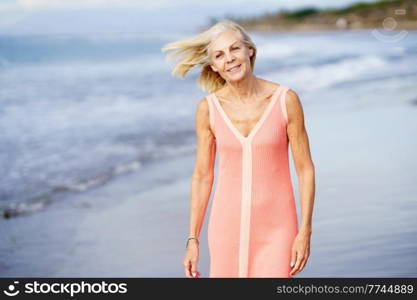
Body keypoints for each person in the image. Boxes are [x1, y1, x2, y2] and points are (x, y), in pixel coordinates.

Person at [161, 19, 315, 278]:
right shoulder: (208, 109)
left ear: (249, 51)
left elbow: (305, 170)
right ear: (214, 66)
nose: (229, 59)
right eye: (220, 55)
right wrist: (192, 239)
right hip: (226, 228)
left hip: (278, 229)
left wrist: (305, 231)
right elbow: (202, 177)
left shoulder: (285, 100)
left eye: (235, 49)